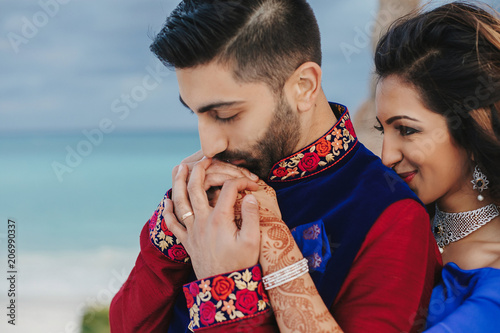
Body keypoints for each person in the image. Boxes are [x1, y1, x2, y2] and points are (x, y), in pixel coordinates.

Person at [110, 1, 441, 332]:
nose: (210, 145)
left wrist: (225, 285)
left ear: (304, 86)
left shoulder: (392, 217)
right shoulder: (211, 187)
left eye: (225, 115)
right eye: (195, 113)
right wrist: (168, 235)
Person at [374, 2, 500, 332]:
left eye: (406, 129)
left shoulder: (493, 272)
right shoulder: (387, 224)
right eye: (381, 130)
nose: (386, 157)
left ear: (473, 125)